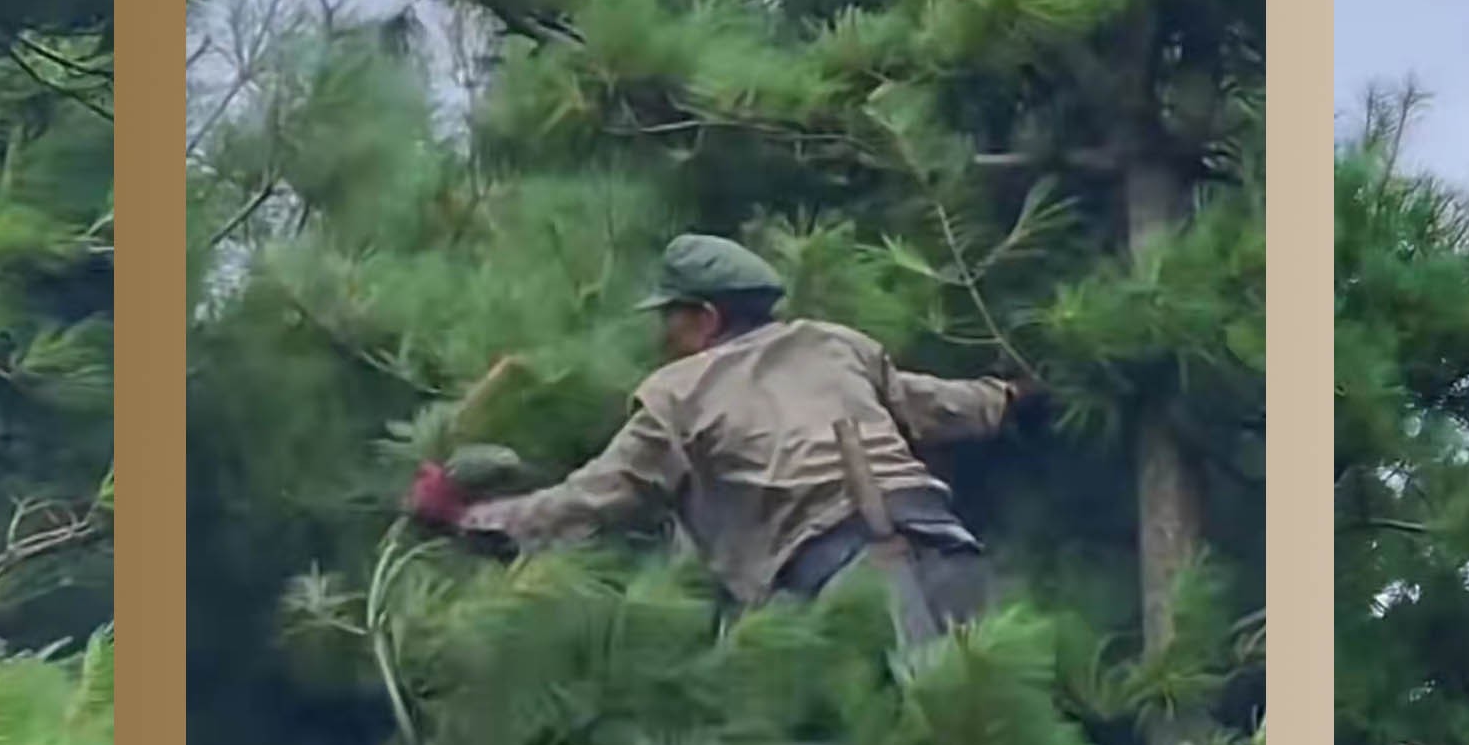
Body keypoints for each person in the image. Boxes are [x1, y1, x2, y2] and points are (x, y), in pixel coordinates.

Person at [404, 235, 1035, 629]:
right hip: (947, 549)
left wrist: (471, 519)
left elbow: (592, 497)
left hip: (843, 582)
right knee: (988, 743)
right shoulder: (834, 343)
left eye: (670, 319)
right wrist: (1012, 396)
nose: (662, 337)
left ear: (706, 317)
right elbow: (938, 404)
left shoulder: (677, 393)